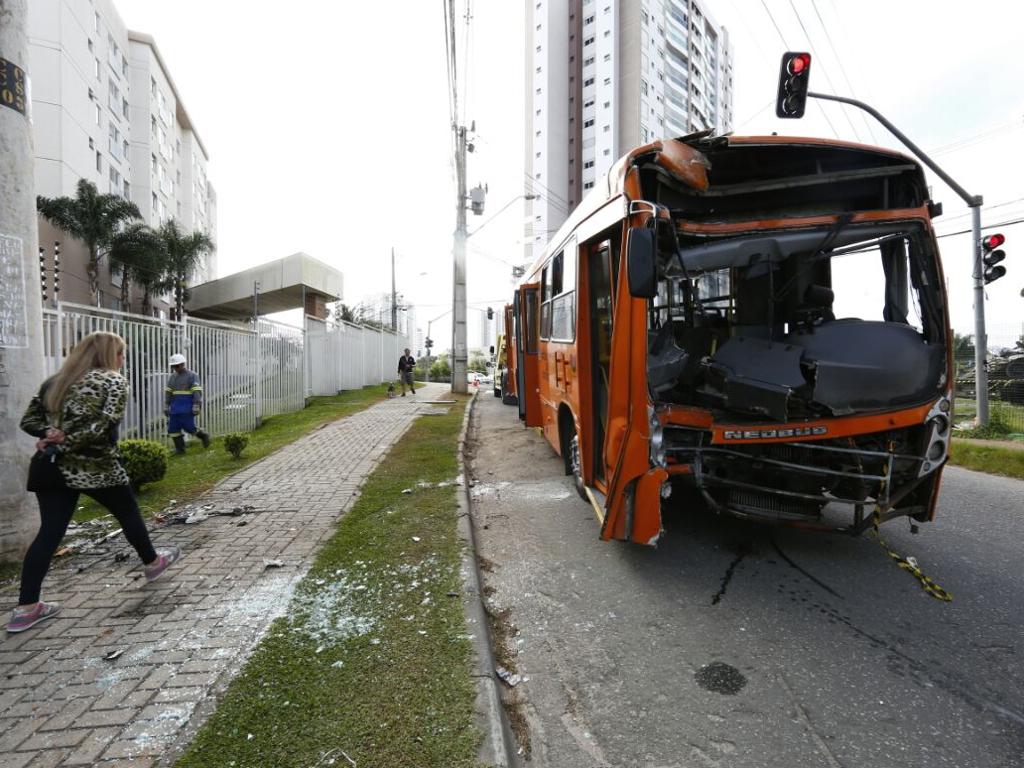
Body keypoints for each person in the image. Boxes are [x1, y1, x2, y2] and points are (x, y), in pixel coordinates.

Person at [8, 331, 181, 634]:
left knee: (48, 535)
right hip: (97, 466)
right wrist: (66, 440)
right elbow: (103, 425)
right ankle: (153, 563)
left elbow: (28, 421)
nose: (122, 360)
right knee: (128, 513)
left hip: (51, 468)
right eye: (121, 354)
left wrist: (51, 435)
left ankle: (26, 609)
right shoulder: (114, 381)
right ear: (110, 355)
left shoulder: (55, 382)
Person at [165, 353, 210, 454]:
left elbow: (196, 391)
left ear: (183, 364)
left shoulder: (192, 376)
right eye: (173, 366)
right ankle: (180, 449)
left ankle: (203, 436)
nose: (175, 368)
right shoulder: (172, 377)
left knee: (189, 427)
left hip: (187, 407)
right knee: (173, 429)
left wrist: (196, 405)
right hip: (175, 408)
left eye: (177, 366)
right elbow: (168, 392)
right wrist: (166, 405)